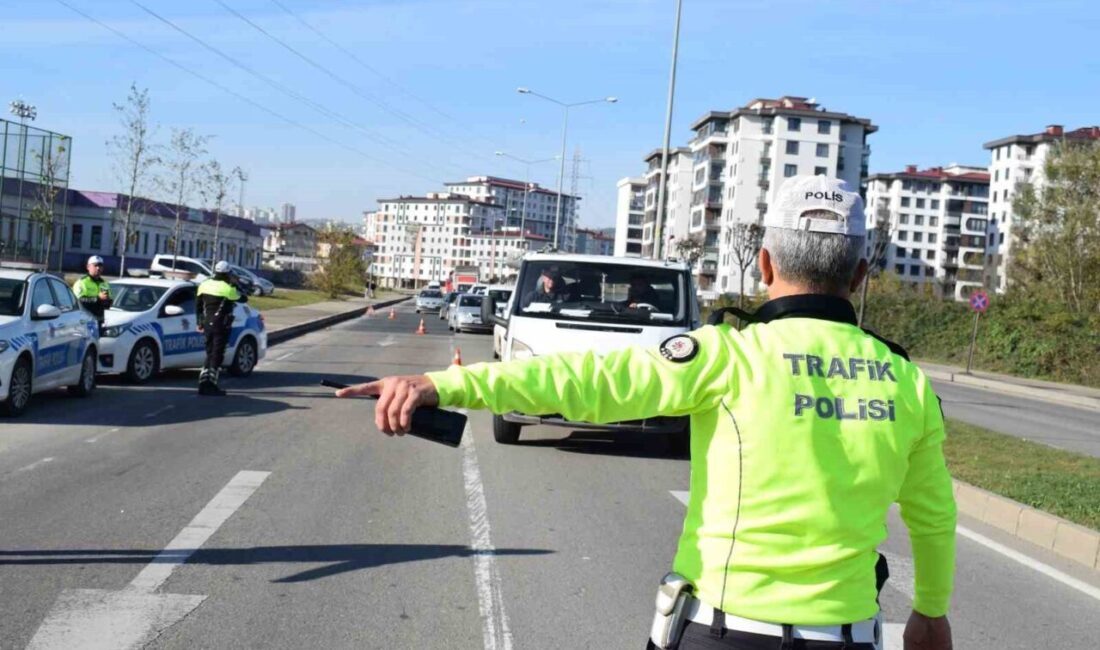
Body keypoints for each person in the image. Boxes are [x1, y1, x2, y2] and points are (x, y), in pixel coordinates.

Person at [335, 176, 956, 650]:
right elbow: (932, 517)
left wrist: (443, 385)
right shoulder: (908, 382)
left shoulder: (727, 356)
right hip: (847, 636)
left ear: (764, 265)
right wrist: (929, 611)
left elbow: (587, 378)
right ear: (860, 273)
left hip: (726, 632)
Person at [195, 261, 246, 396]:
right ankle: (211, 385)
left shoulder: (204, 284)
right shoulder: (228, 288)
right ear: (227, 273)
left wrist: (199, 322)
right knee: (217, 354)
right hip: (221, 324)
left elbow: (198, 306)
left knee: (209, 352)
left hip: (207, 323)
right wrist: (236, 284)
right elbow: (243, 298)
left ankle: (203, 384)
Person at [72, 255, 113, 328]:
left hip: (99, 320)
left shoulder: (104, 283)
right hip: (84, 321)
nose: (98, 268)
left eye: (100, 266)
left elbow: (108, 302)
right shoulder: (81, 282)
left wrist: (107, 301)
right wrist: (98, 298)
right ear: (88, 267)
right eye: (95, 265)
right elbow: (79, 301)